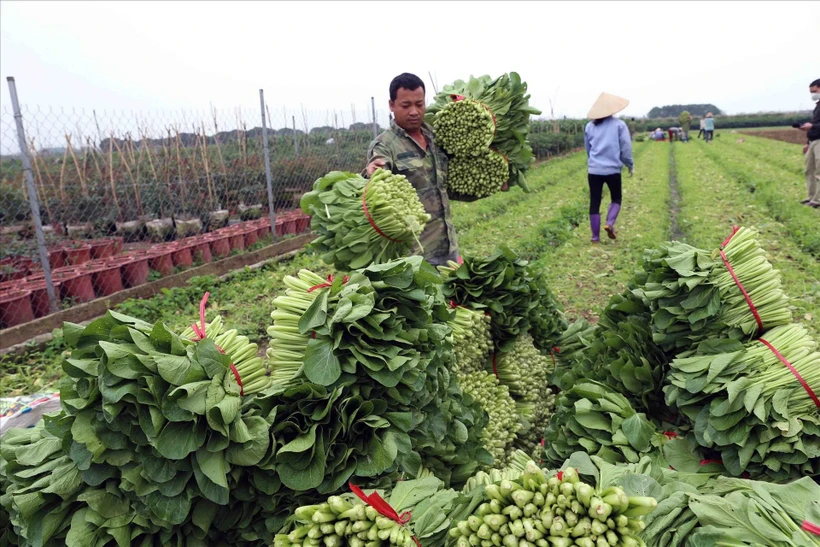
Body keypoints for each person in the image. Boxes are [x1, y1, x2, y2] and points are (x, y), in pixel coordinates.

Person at [364, 73, 459, 265]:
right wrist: (373, 170)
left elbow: (448, 186)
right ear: (392, 105)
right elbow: (378, 167)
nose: (414, 111)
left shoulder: (435, 137)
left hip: (448, 245)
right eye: (406, 106)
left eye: (420, 104)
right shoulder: (385, 145)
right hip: (415, 255)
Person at [584, 92, 634, 243]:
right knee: (616, 197)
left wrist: (593, 162)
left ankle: (595, 237)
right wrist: (629, 165)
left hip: (594, 170)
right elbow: (625, 148)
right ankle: (609, 223)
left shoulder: (589, 126)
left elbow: (588, 149)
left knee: (594, 201)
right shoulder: (619, 125)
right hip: (612, 170)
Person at [799, 78, 820, 207]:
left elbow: (816, 125)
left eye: (815, 91)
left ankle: (818, 200)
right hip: (813, 141)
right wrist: (807, 142)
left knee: (819, 171)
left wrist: (812, 127)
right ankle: (811, 196)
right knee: (809, 170)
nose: (813, 94)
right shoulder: (818, 106)